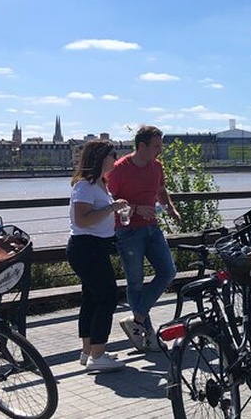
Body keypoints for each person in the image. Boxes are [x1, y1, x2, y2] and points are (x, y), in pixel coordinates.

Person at [107, 125, 181, 352]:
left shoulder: (156, 166)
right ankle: (147, 335)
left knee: (168, 271)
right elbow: (109, 200)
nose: (160, 150)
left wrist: (170, 208)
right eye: (156, 146)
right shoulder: (120, 169)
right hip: (128, 231)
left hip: (152, 228)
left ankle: (136, 321)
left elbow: (160, 190)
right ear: (142, 146)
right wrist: (136, 208)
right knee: (135, 283)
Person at [67, 140, 128, 372]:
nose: (115, 158)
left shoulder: (102, 184)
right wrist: (112, 208)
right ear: (101, 157)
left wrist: (114, 208)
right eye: (113, 154)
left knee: (91, 298)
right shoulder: (85, 185)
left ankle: (88, 351)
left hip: (95, 248)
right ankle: (98, 355)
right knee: (108, 297)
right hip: (86, 248)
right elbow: (81, 220)